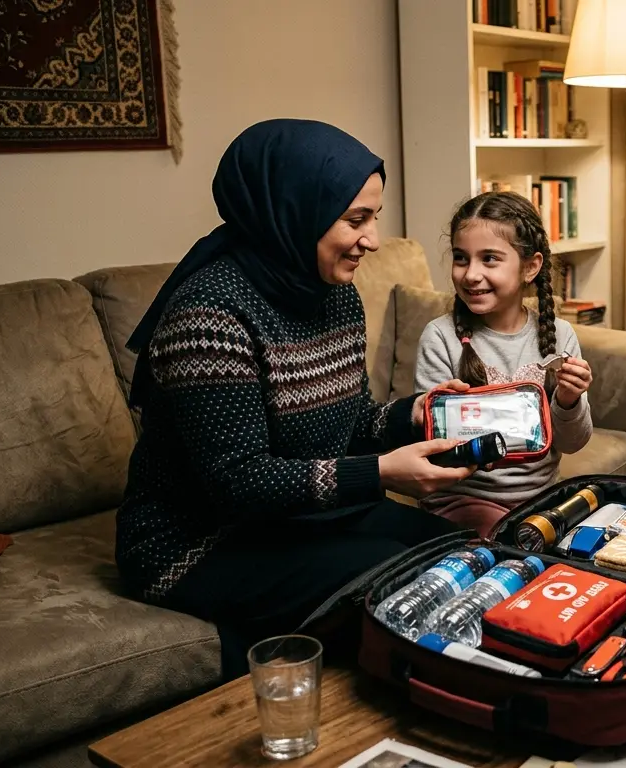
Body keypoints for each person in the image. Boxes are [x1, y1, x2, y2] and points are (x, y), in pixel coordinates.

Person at [116, 119, 475, 677]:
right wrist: (379, 473)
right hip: (199, 544)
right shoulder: (210, 316)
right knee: (405, 583)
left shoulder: (334, 294)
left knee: (465, 556)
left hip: (298, 517)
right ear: (294, 210)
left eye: (374, 218)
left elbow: (349, 421)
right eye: (356, 219)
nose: (373, 240)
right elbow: (238, 482)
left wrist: (416, 413)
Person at [414, 191, 594, 534]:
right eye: (461, 258)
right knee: (508, 543)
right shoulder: (439, 337)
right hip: (464, 500)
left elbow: (572, 443)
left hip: (540, 497)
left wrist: (568, 400)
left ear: (530, 266)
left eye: (490, 259)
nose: (471, 274)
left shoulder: (560, 335)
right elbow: (434, 447)